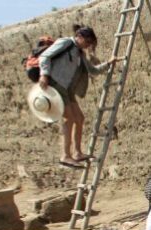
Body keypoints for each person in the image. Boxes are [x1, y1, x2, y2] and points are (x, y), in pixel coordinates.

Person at [37, 25, 117, 168]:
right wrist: (44, 75)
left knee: (79, 118)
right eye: (87, 41)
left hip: (68, 89)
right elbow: (44, 56)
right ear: (79, 37)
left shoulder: (80, 53)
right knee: (69, 118)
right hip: (56, 84)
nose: (88, 45)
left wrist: (108, 64)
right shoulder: (66, 42)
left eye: (89, 43)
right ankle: (65, 156)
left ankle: (77, 153)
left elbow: (92, 70)